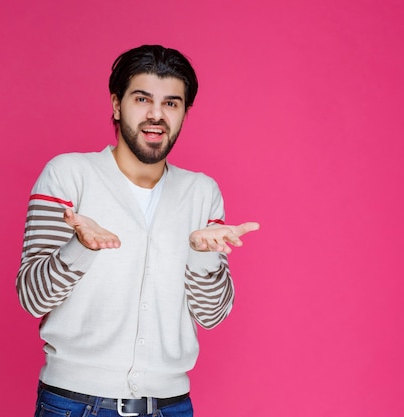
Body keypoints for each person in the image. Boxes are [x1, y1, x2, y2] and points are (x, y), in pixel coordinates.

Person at [16, 44, 259, 417]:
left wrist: (201, 254)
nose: (156, 115)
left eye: (171, 103)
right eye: (142, 98)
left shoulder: (201, 192)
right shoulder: (68, 175)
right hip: (74, 404)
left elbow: (211, 316)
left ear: (184, 113)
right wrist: (81, 246)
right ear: (116, 104)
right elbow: (33, 298)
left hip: (170, 406)